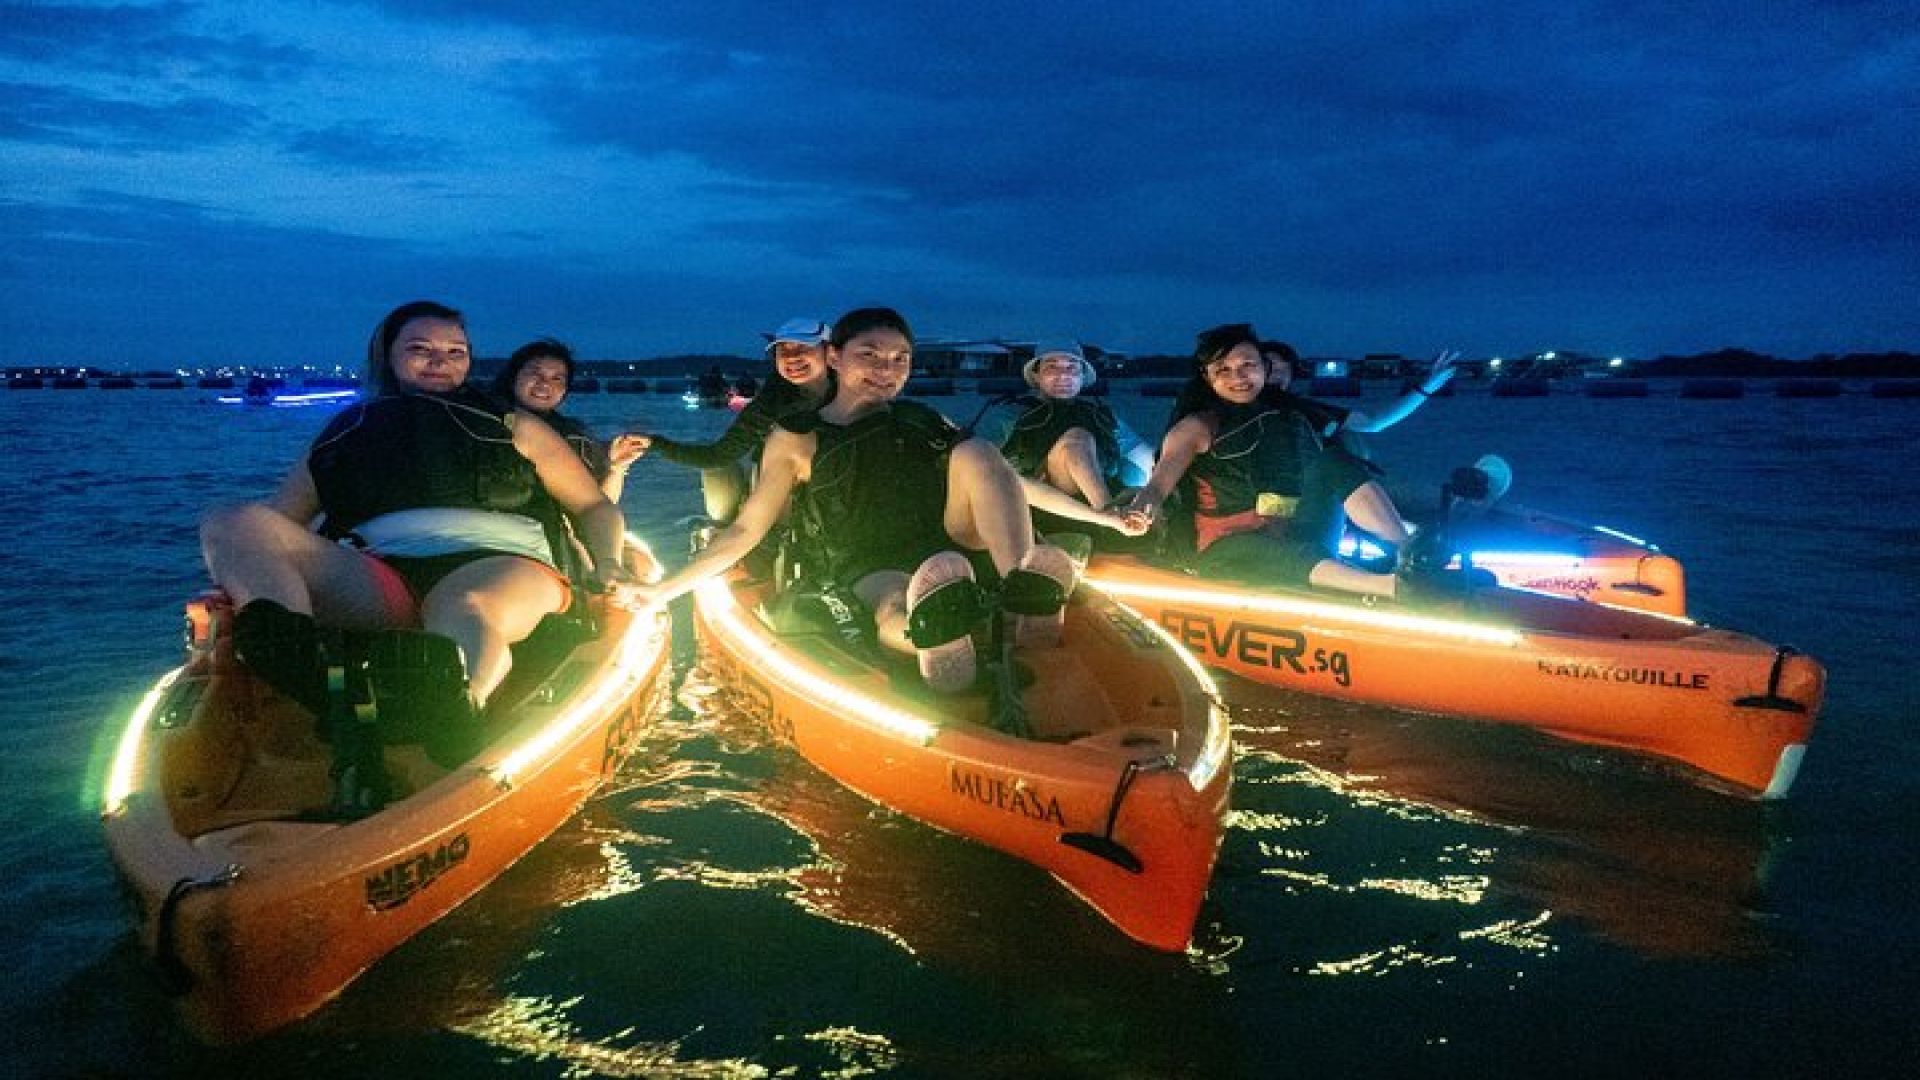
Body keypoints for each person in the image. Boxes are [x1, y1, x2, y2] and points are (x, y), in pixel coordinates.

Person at [197, 301, 639, 763]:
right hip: (381, 575)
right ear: (388, 356)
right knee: (231, 521)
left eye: (455, 351)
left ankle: (459, 707)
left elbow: (593, 506)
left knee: (464, 605)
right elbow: (280, 523)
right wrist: (242, 578)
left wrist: (609, 562)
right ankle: (302, 667)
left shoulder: (514, 425)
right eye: (420, 349)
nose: (439, 361)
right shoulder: (347, 431)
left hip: (498, 564)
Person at [630, 307, 1088, 695]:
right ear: (834, 357)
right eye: (868, 355)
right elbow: (748, 527)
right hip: (866, 557)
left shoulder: (920, 418)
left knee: (979, 451)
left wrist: (1098, 518)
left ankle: (1019, 588)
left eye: (899, 358)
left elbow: (1006, 481)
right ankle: (932, 638)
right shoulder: (798, 437)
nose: (886, 369)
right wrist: (663, 590)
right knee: (894, 600)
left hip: (948, 539)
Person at [1127, 323, 1466, 600]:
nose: (1238, 377)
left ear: (1264, 368)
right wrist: (1141, 511)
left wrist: (1427, 386)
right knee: (1266, 551)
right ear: (1208, 377)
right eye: (1223, 370)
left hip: (1285, 527)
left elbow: (1372, 423)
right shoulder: (1198, 426)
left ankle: (1411, 554)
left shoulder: (1290, 411)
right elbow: (1158, 485)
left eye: (1248, 366)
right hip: (1223, 547)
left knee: (1332, 457)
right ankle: (1395, 588)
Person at [1254, 340, 1459, 562]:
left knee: (1345, 446)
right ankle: (1406, 550)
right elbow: (1372, 424)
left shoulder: (1299, 408)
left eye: (1284, 368)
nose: (1277, 373)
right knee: (1336, 455)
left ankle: (1403, 548)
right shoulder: (1262, 407)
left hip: (1308, 496)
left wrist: (1426, 388)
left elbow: (1373, 423)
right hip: (1284, 500)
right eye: (1269, 366)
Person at [623, 317, 837, 523]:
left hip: (838, 496)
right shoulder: (769, 404)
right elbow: (717, 456)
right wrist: (655, 443)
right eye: (783, 351)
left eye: (803, 348)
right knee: (721, 473)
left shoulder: (855, 400)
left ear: (831, 353)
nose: (792, 357)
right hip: (782, 503)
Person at [972, 340, 1155, 541]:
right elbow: (981, 462)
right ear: (1036, 375)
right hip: (1039, 503)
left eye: (1072, 368)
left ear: (1082, 376)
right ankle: (1109, 514)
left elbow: (1144, 456)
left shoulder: (1102, 417)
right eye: (1052, 367)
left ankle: (1117, 517)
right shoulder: (1009, 415)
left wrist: (1152, 494)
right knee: (1076, 440)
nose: (1063, 375)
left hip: (1101, 493)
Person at [493, 338, 646, 503]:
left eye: (557, 378)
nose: (544, 384)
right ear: (513, 376)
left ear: (565, 390)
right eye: (535, 373)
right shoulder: (482, 422)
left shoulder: (578, 440)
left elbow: (598, 505)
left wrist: (617, 468)